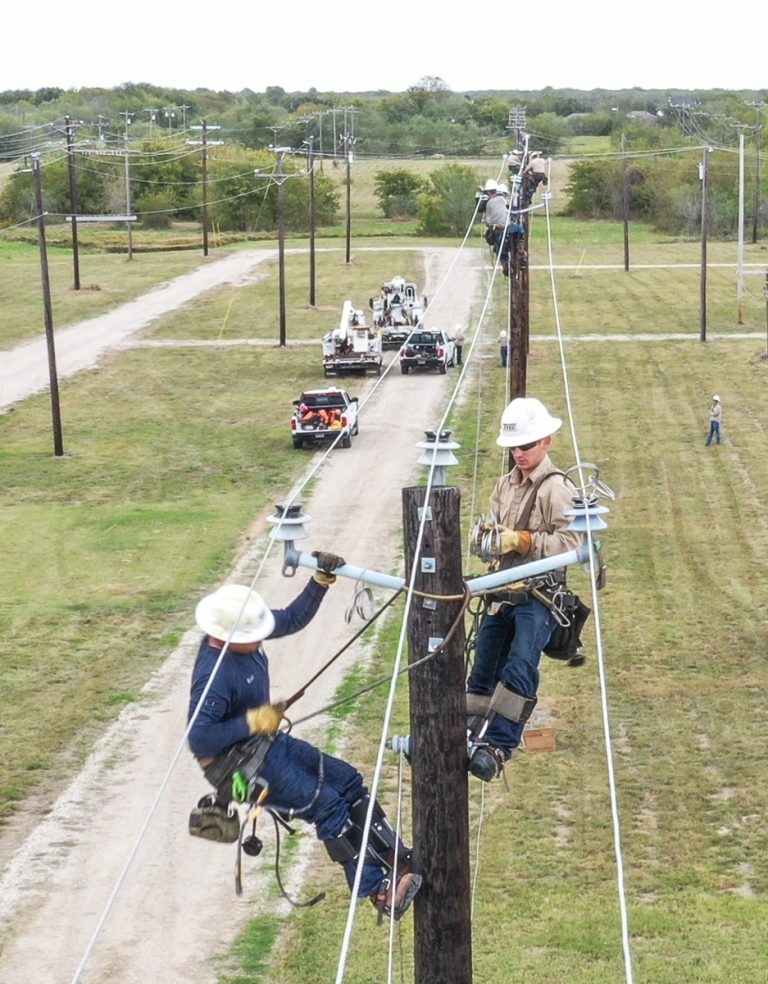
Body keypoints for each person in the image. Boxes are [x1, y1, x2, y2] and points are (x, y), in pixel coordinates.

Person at [187, 558, 422, 921]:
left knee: (348, 783)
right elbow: (200, 738)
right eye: (253, 636)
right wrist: (253, 721)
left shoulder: (245, 631)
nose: (260, 638)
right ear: (228, 636)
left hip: (265, 745)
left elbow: (291, 619)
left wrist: (319, 583)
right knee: (327, 806)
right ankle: (378, 889)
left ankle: (394, 857)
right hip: (237, 767)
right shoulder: (213, 675)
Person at [466, 398, 582, 781]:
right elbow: (489, 531)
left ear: (546, 441)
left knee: (519, 666)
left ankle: (499, 746)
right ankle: (470, 734)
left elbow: (573, 544)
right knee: (483, 667)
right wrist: (486, 540)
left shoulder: (557, 488)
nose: (519, 453)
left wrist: (522, 540)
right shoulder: (504, 486)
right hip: (502, 594)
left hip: (538, 598)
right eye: (514, 447)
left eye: (526, 445)